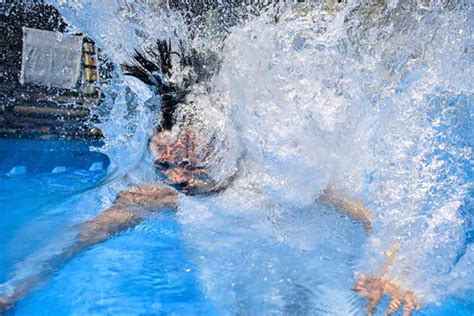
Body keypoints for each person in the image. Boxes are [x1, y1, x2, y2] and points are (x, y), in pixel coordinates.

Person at [0, 38, 419, 316]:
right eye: (166, 167)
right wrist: (19, 286)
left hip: (328, 285)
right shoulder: (168, 195)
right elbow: (85, 236)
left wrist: (393, 274)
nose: (179, 180)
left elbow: (374, 217)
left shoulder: (285, 179)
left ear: (219, 146)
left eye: (189, 163)